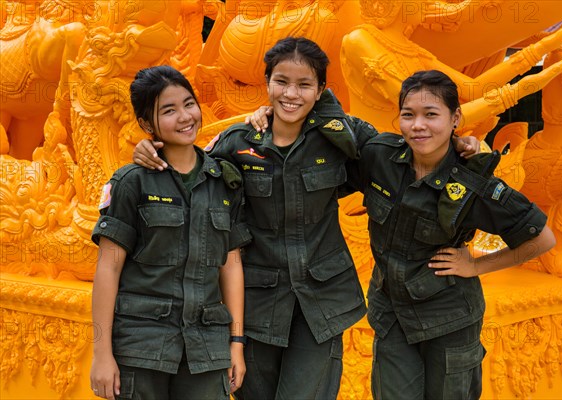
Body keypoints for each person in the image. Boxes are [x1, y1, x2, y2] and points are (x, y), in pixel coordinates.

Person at [133, 38, 478, 400]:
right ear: (266, 83)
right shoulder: (238, 143)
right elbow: (191, 174)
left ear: (320, 90)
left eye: (304, 85)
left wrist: (462, 145)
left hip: (322, 302)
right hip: (257, 305)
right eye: (281, 82)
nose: (291, 94)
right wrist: (147, 147)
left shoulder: (342, 136)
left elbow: (406, 154)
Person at [345, 70, 556, 400]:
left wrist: (476, 266)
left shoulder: (472, 182)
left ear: (455, 117)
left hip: (450, 320)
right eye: (408, 115)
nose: (418, 125)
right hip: (393, 317)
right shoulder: (380, 157)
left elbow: (542, 238)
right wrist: (268, 114)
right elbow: (326, 123)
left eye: (431, 115)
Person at [90, 65, 250, 400]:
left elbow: (230, 265)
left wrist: (235, 343)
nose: (185, 116)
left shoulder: (223, 181)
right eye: (169, 110)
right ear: (147, 125)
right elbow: (109, 267)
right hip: (142, 346)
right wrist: (102, 354)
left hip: (206, 350)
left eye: (189, 103)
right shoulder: (132, 182)